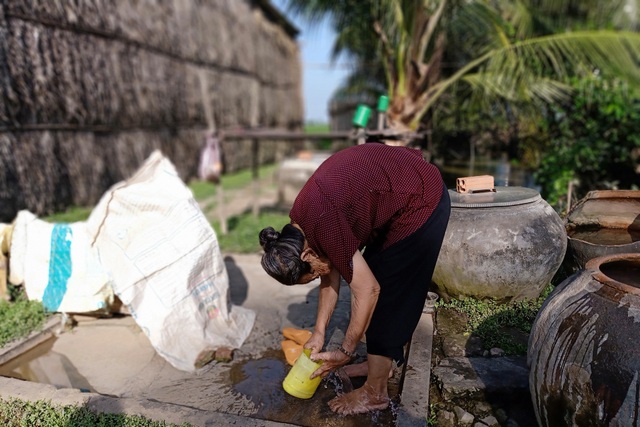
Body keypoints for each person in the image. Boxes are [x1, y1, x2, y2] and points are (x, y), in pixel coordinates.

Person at [259, 142, 450, 415]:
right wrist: (319, 333)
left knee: (387, 294)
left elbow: (368, 289)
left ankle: (376, 393)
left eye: (311, 275)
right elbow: (329, 272)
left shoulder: (323, 222)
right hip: (396, 194)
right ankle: (381, 365)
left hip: (421, 199)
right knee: (373, 272)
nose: (319, 279)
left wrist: (346, 350)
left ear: (307, 254)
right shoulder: (301, 223)